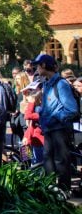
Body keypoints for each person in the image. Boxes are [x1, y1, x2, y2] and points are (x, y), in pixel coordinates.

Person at [35, 54, 78, 193]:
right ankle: (51, 190)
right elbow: (48, 107)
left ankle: (64, 192)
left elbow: (71, 110)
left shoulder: (61, 84)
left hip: (59, 129)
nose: (36, 68)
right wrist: (40, 111)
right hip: (49, 129)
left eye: (38, 65)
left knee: (61, 161)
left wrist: (53, 116)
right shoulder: (47, 83)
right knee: (48, 159)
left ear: (44, 65)